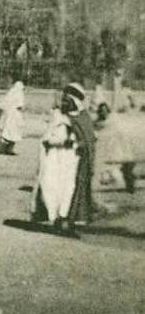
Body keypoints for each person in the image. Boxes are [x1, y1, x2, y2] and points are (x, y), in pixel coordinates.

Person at [31, 105, 80, 233]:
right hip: (54, 160)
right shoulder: (58, 123)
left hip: (65, 161)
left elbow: (71, 141)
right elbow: (48, 140)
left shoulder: (68, 124)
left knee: (63, 188)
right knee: (51, 187)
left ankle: (61, 217)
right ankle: (54, 217)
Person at [64, 83, 97, 226]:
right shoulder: (64, 116)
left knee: (80, 183)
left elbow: (89, 139)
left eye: (68, 100)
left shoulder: (84, 117)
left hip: (81, 157)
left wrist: (77, 144)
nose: (65, 102)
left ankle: (79, 215)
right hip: (65, 157)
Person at [0, 78, 25, 155]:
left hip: (7, 115)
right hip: (14, 115)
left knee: (6, 131)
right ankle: (7, 149)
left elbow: (2, 104)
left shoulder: (10, 93)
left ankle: (3, 149)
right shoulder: (20, 93)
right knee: (13, 132)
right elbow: (20, 106)